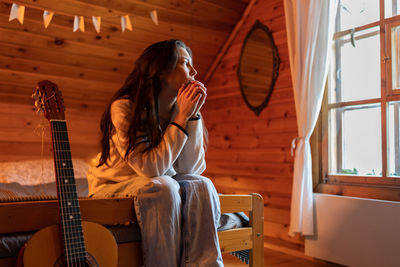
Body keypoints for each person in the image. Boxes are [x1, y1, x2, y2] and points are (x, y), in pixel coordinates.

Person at [87, 39, 224, 267]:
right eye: (185, 63)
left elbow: (191, 169)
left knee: (202, 183)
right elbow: (149, 169)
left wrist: (192, 115)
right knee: (164, 185)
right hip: (113, 188)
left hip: (155, 183)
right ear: (161, 70)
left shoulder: (179, 109)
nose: (194, 70)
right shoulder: (124, 107)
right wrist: (181, 119)